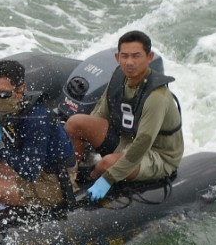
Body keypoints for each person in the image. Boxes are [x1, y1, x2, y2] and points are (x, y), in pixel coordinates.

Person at [63, 30, 184, 202]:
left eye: (136, 56)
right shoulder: (119, 76)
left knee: (107, 164)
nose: (129, 62)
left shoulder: (157, 97)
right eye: (124, 56)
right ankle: (68, 180)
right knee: (75, 123)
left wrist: (107, 178)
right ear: (117, 57)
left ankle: (90, 183)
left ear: (149, 57)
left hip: (156, 155)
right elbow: (100, 113)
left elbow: (143, 143)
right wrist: (84, 147)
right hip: (125, 139)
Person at [0, 59, 75, 217]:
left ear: (20, 89)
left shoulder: (37, 118)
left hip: (52, 182)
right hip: (27, 166)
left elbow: (29, 172)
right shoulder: (2, 108)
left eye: (3, 94)